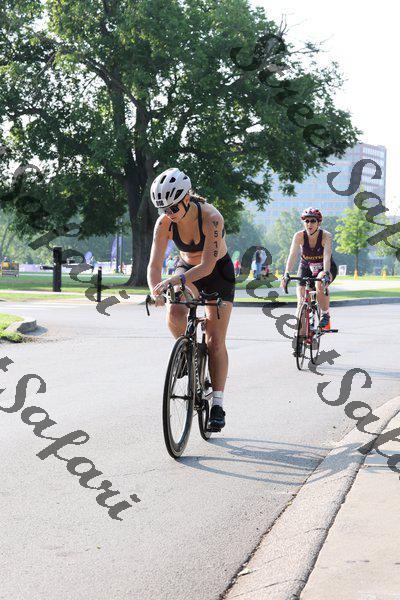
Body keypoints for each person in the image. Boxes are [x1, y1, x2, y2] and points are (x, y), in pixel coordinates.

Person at [147, 167, 235, 431]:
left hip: (217, 272)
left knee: (215, 340)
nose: (169, 213)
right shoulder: (164, 223)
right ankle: (188, 353)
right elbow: (154, 265)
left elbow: (207, 266)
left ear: (186, 198)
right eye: (163, 209)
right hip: (186, 270)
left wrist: (174, 281)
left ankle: (217, 404)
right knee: (175, 312)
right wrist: (155, 290)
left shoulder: (212, 218)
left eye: (173, 207)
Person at [281, 207, 337, 331]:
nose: (309, 224)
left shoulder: (326, 236)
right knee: (301, 300)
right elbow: (293, 254)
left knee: (320, 282)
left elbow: (326, 257)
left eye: (313, 221)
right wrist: (286, 273)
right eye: (306, 221)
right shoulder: (299, 236)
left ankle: (325, 314)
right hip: (306, 266)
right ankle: (300, 337)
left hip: (325, 267)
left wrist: (326, 274)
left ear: (318, 223)